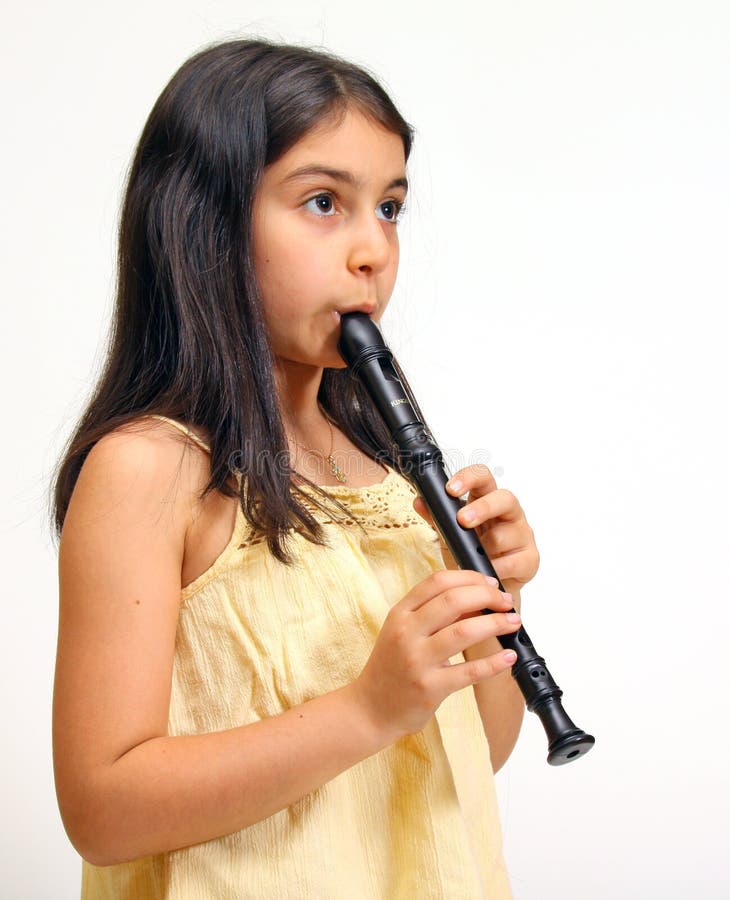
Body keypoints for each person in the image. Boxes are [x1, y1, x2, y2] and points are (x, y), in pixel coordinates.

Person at [51, 38, 540, 899]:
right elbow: (102, 808)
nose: (373, 251)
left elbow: (470, 759)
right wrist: (367, 708)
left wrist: (492, 603)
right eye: (324, 201)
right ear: (205, 220)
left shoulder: (390, 481)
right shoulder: (151, 470)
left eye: (388, 208)